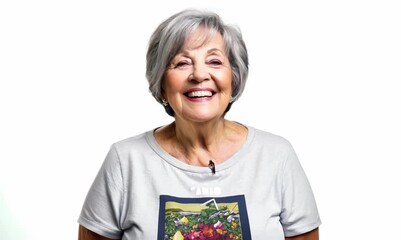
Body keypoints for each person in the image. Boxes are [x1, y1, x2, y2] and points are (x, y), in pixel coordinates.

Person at [78, 8, 321, 240]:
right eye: (182, 63)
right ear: (161, 84)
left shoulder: (276, 156)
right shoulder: (125, 161)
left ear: (233, 79)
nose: (199, 74)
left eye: (214, 62)